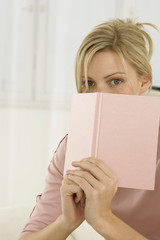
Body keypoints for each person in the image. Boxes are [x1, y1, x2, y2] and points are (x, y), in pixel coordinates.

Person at [19, 18, 160, 240]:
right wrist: (66, 222)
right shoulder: (72, 148)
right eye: (89, 83)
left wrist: (104, 219)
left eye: (115, 81)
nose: (99, 96)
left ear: (144, 83)